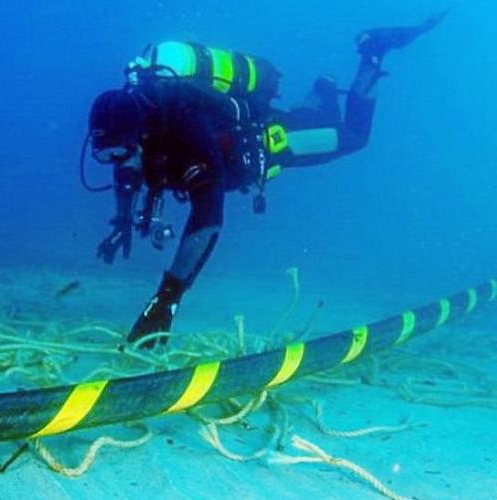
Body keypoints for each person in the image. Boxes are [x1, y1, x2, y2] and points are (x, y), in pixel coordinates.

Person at [83, 12, 447, 348]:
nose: (118, 163)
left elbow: (208, 218)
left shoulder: (187, 135)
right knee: (300, 119)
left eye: (119, 151)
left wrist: (168, 299)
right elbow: (127, 171)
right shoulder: (137, 135)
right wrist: (122, 221)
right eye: (106, 155)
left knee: (352, 137)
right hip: (250, 133)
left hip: (273, 144)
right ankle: (321, 92)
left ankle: (373, 53)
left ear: (140, 134)